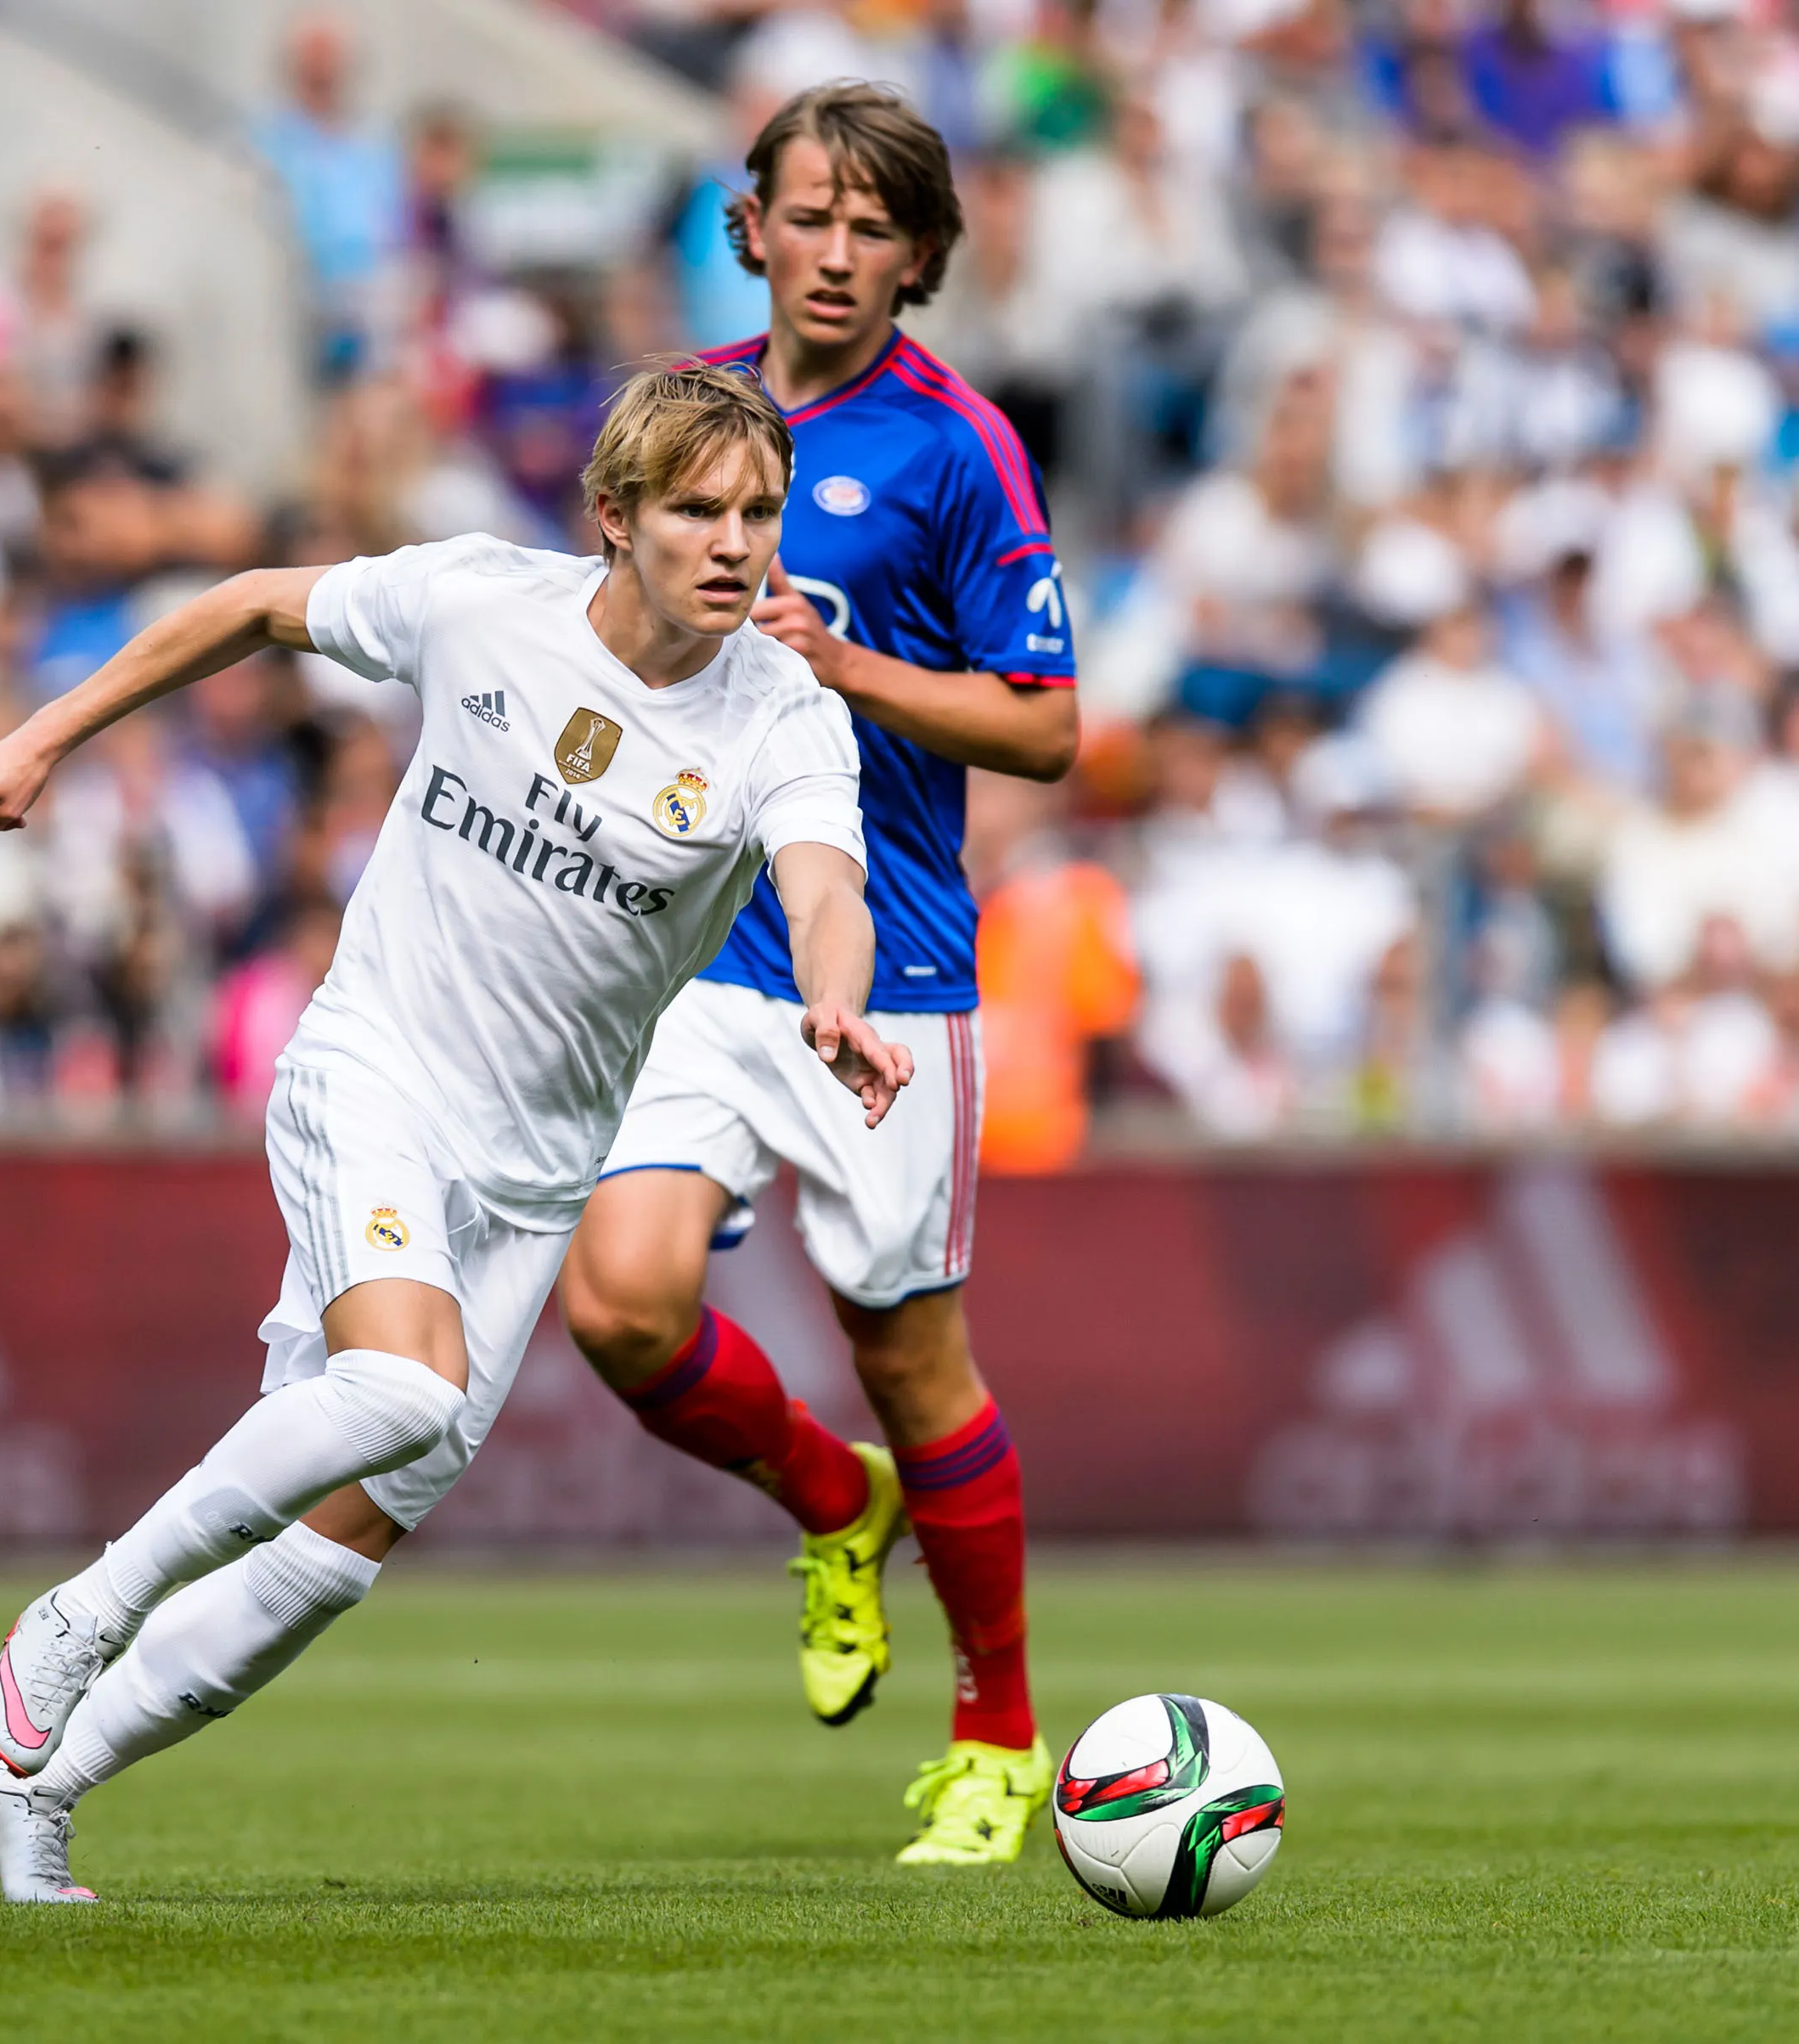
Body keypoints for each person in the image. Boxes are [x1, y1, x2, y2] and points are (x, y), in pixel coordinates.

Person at [0, 363, 905, 1903]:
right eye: (695, 511)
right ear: (613, 517)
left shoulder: (782, 714)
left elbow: (823, 886)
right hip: (373, 1071)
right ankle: (81, 1611)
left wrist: (835, 998)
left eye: (758, 513)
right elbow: (252, 604)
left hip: (536, 1179)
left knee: (330, 1557)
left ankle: (32, 1792)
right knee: (402, 1382)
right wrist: (38, 740)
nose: (734, 544)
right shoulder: (479, 602)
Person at [554, 83, 1080, 1867]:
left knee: (905, 1355)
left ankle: (997, 1739)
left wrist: (841, 669)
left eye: (873, 227)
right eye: (808, 216)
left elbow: (1045, 728)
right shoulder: (685, 419)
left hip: (890, 960)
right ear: (751, 228)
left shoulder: (956, 447)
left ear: (919, 255)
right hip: (697, 946)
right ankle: (828, 1501)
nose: (835, 253)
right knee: (618, 1306)